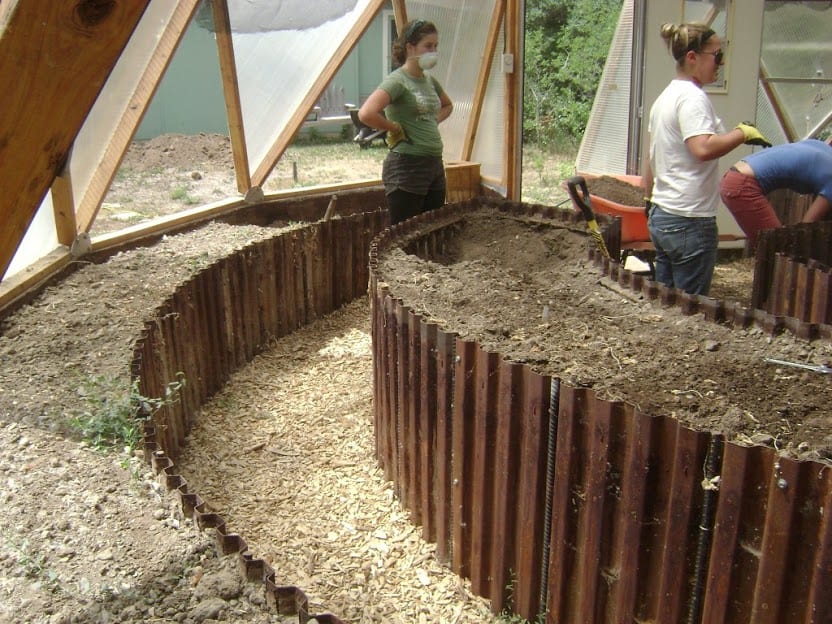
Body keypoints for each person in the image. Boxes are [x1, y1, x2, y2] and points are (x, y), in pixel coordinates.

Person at [643, 22, 771, 296]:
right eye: (717, 56)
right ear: (692, 57)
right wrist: (741, 133)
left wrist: (648, 199)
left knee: (664, 304)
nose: (721, 64)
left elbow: (650, 155)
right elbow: (702, 148)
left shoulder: (665, 97)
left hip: (663, 214)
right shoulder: (692, 98)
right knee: (689, 309)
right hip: (689, 219)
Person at [357, 19, 454, 226]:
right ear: (410, 47)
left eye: (436, 46)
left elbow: (448, 105)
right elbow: (366, 113)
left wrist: (430, 122)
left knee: (432, 229)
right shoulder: (397, 81)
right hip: (407, 167)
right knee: (404, 234)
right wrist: (393, 127)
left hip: (434, 166)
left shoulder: (429, 81)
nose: (433, 51)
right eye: (428, 46)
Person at [719, 138, 832, 250]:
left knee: (771, 245)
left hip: (736, 176)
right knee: (777, 249)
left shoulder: (821, 147)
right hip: (743, 186)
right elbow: (807, 224)